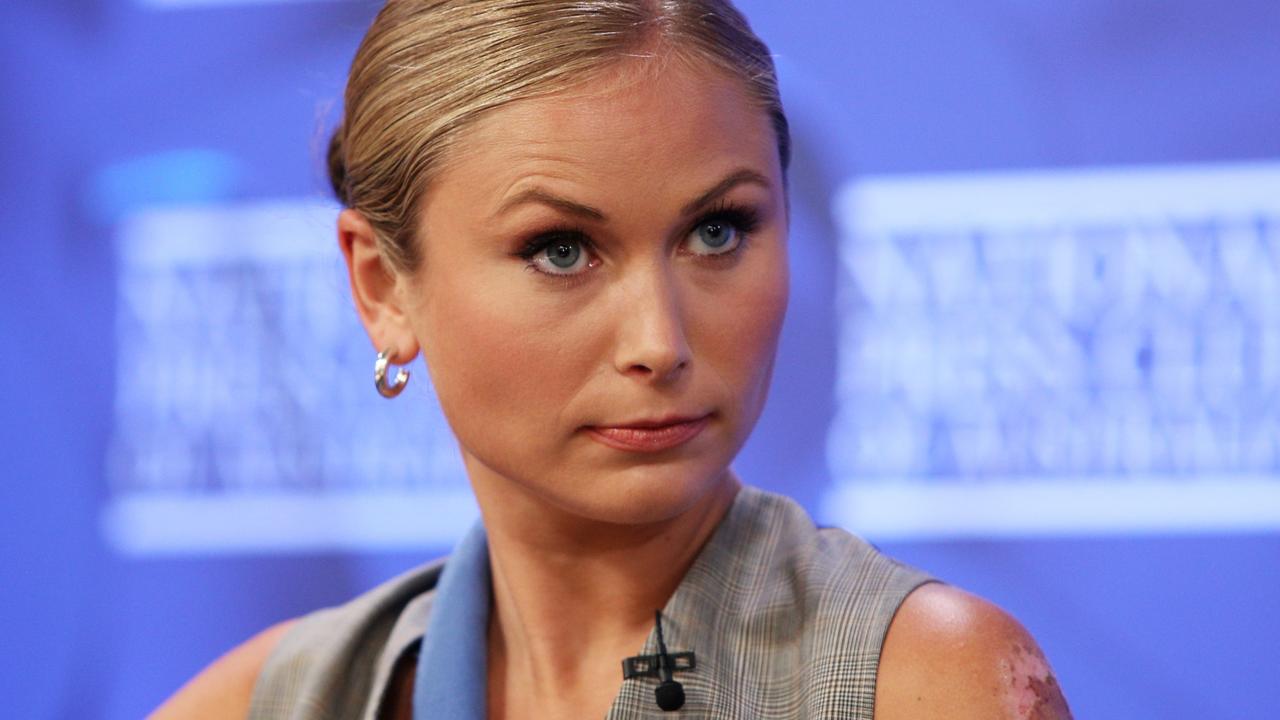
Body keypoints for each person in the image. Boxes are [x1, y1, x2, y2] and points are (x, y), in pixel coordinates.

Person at [152, 1, 1073, 718]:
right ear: (384, 287)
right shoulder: (274, 702)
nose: (658, 343)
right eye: (561, 249)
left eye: (718, 232)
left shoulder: (921, 686)